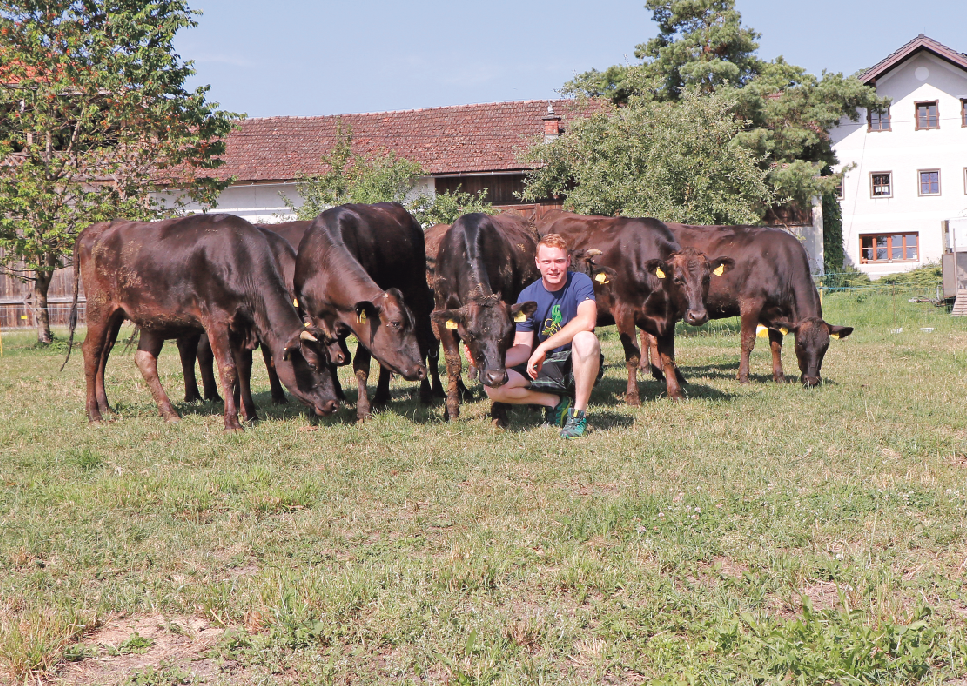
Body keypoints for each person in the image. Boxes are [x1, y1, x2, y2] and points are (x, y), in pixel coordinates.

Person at [483, 233, 602, 438]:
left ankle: (577, 415)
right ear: (537, 263)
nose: (553, 267)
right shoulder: (526, 295)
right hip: (542, 367)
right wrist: (487, 362)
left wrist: (543, 347)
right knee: (492, 387)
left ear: (568, 261)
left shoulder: (580, 282)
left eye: (559, 261)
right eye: (546, 261)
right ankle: (555, 403)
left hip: (576, 364)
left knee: (586, 339)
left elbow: (587, 320)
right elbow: (522, 348)